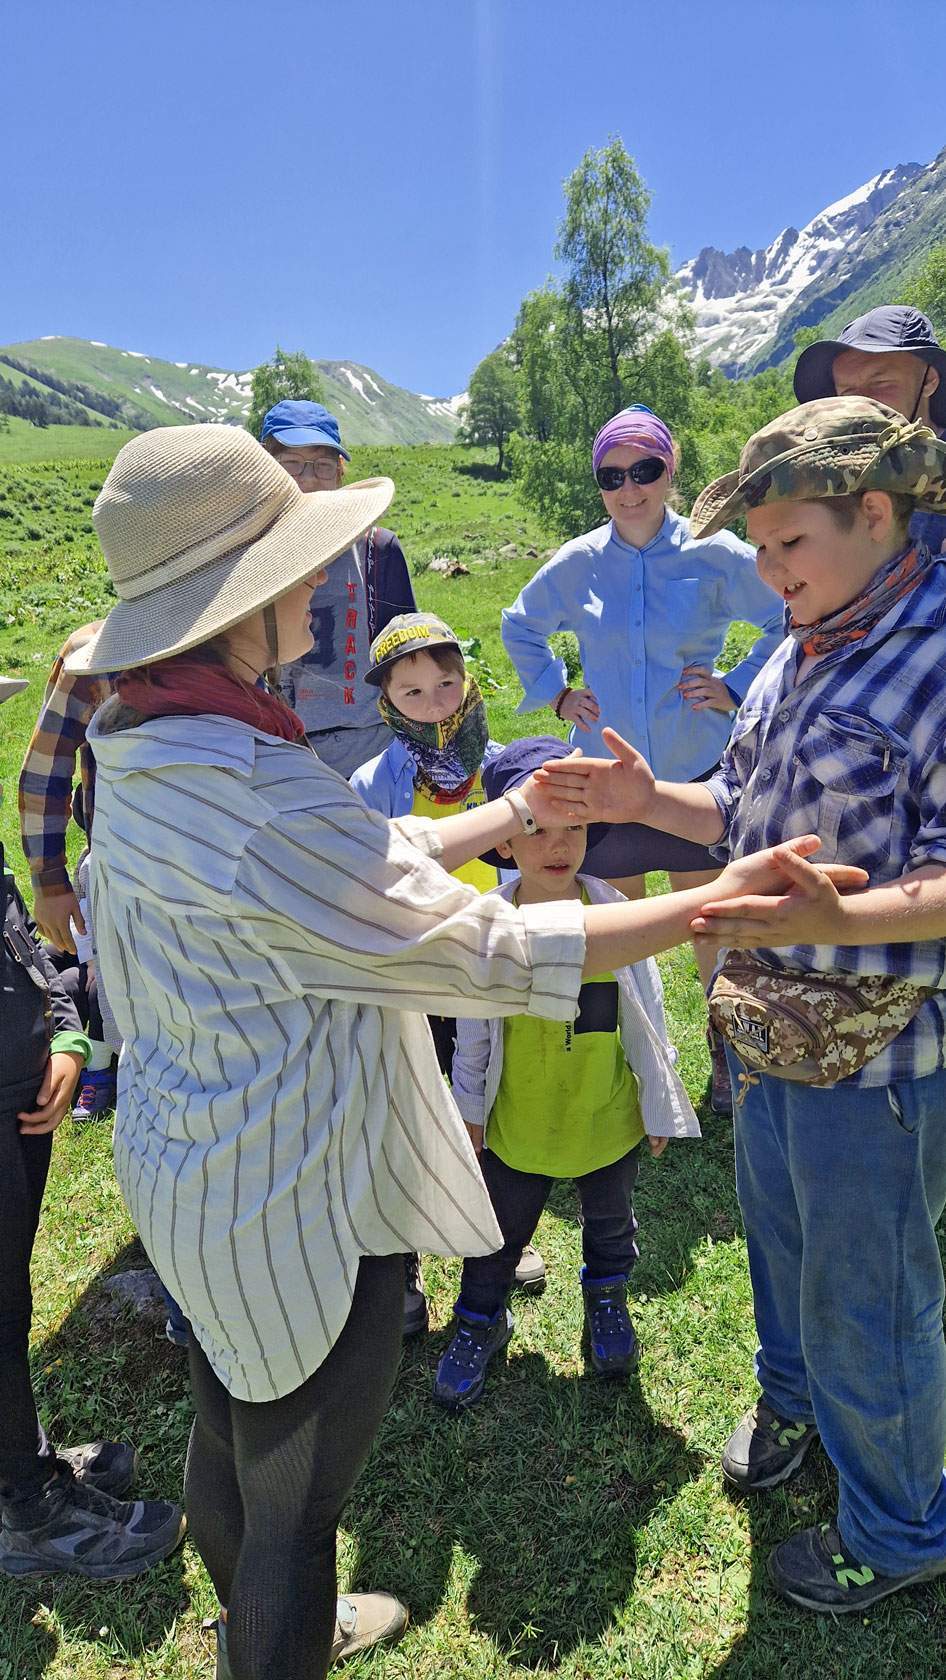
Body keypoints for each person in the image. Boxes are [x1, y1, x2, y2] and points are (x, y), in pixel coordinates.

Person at [64, 422, 837, 1679]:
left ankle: (257, 1631)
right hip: (293, 1188)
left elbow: (348, 860)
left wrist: (511, 810)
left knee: (230, 1431)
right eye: (300, 565)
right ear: (242, 600)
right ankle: (279, 1641)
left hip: (191, 1161)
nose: (324, 585)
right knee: (299, 1509)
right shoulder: (256, 785)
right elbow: (490, 947)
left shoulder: (153, 739)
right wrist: (714, 901)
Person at [536, 396, 946, 1615]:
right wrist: (647, 799)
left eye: (788, 543)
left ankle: (899, 1528)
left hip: (878, 1062)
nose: (769, 573)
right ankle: (795, 1406)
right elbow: (737, 807)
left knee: (870, 1298)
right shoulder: (801, 641)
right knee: (779, 1240)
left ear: (875, 515)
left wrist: (830, 922)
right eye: (758, 549)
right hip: (765, 1033)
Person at [500, 404, 785, 1114]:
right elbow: (519, 625)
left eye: (645, 470)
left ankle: (730, 1064)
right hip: (604, 783)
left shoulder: (715, 553)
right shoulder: (578, 562)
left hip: (695, 776)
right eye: (612, 475)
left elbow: (788, 612)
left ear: (670, 469)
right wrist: (557, 693)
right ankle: (631, 1072)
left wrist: (736, 685)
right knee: (616, 936)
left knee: (715, 926)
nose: (629, 488)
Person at [433, 736, 700, 1411]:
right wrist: (470, 1110)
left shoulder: (614, 911)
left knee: (611, 1221)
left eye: (574, 829)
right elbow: (473, 1031)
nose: (558, 846)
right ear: (504, 841)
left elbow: (648, 1009)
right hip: (518, 1118)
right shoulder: (489, 923)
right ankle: (479, 1319)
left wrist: (658, 1097)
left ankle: (606, 1298)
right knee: (498, 1232)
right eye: (539, 830)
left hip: (603, 1113)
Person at [0, 675, 185, 1580]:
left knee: (10, 1297)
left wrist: (66, 1031)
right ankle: (29, 1513)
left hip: (23, 1090)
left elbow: (15, 934)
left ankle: (20, 1463)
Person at [353, 612, 546, 1329]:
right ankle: (403, 1256)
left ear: (467, 680)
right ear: (385, 701)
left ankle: (492, 1238)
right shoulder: (371, 783)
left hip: (490, 963)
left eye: (446, 684)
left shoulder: (502, 770)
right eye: (412, 693)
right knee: (410, 1104)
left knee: (488, 1102)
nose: (435, 705)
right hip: (412, 971)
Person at [260, 399, 417, 776]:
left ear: (340, 473)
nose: (309, 478)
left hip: (375, 753)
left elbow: (407, 657)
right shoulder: (249, 555)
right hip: (280, 751)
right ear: (265, 470)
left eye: (323, 465)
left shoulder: (377, 550)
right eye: (291, 464)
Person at [793, 304, 946, 554]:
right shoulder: (834, 480)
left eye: (880, 383)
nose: (862, 403)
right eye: (848, 392)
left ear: (929, 380)